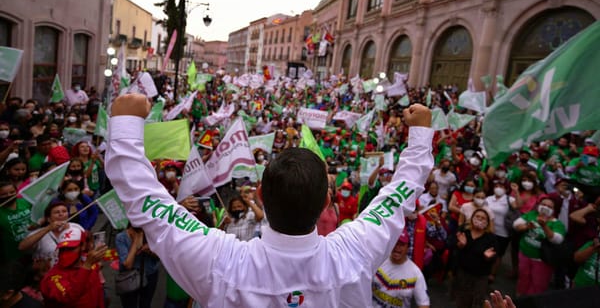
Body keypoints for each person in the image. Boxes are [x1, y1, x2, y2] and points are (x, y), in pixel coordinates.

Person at [105, 94, 433, 307]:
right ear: (326, 203)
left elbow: (150, 206)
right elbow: (398, 196)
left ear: (260, 193)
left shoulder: (222, 260)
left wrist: (124, 125)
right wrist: (420, 137)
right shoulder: (354, 251)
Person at [40, 225, 106, 307]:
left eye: (71, 248)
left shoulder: (91, 264)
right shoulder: (53, 277)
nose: (65, 253)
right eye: (63, 249)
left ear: (83, 246)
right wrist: (86, 267)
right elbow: (68, 297)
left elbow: (98, 292)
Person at [513, 196, 566, 296]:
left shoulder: (557, 224)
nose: (545, 207)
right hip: (524, 254)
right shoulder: (532, 214)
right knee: (523, 278)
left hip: (542, 260)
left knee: (538, 284)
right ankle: (518, 299)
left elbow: (557, 240)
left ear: (554, 210)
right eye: (543, 205)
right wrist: (527, 226)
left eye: (549, 206)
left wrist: (544, 226)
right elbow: (516, 225)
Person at [371, 229, 430, 308]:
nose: (397, 248)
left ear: (408, 247)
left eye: (401, 244)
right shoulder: (379, 260)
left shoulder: (415, 273)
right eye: (395, 243)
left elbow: (424, 304)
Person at [452, 208, 497, 308]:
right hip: (463, 273)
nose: (480, 219)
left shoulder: (490, 238)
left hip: (480, 277)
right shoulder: (464, 231)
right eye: (477, 217)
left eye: (483, 218)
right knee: (461, 300)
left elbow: (494, 257)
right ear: (472, 218)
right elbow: (453, 246)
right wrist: (460, 245)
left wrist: (487, 257)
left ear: (487, 222)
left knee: (477, 302)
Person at [18, 200, 83, 267]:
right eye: (56, 212)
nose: (61, 214)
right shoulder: (40, 233)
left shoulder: (76, 227)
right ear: (49, 219)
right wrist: (48, 229)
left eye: (64, 211)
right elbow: (22, 247)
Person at [115, 224, 161, 308]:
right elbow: (127, 265)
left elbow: (160, 257)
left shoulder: (152, 235)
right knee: (130, 304)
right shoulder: (121, 237)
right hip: (129, 278)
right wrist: (135, 242)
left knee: (145, 304)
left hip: (150, 275)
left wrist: (149, 250)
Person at [0, 181, 32, 262]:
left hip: (34, 248)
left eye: (12, 192)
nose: (9, 195)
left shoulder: (26, 201)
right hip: (14, 255)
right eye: (4, 194)